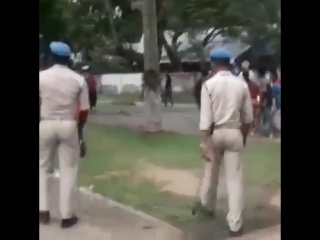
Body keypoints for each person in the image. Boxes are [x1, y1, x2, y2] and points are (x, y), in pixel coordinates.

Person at [193, 48, 253, 237]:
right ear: (229, 64)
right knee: (235, 181)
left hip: (215, 133)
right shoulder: (241, 85)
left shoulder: (208, 85)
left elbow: (205, 119)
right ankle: (235, 224)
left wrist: (204, 142)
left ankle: (207, 206)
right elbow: (248, 118)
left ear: (214, 64)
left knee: (211, 173)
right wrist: (242, 137)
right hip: (234, 131)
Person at [39, 42, 90, 228]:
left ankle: (42, 212)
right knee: (68, 169)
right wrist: (80, 131)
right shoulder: (78, 79)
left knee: (42, 167)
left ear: (51, 57)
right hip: (69, 124)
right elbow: (84, 110)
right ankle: (66, 216)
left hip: (45, 124)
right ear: (68, 59)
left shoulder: (41, 77)